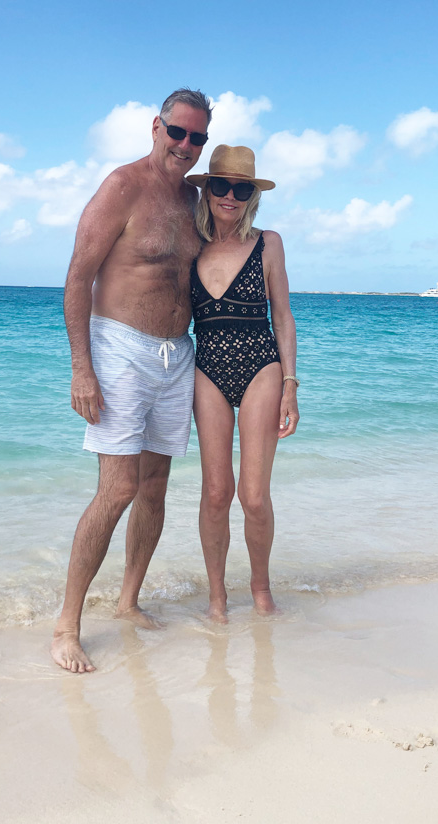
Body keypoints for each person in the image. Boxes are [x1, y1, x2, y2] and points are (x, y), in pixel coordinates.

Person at [51, 88, 213, 673]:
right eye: (178, 133)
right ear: (156, 127)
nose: (186, 146)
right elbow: (76, 278)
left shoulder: (195, 199)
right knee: (116, 488)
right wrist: (81, 367)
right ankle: (67, 625)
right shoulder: (122, 187)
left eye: (198, 137)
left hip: (178, 357)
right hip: (119, 348)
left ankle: (127, 601)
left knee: (154, 489)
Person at [186, 145, 298, 623]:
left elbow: (283, 316)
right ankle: (217, 597)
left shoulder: (268, 243)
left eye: (242, 188)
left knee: (253, 496)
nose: (230, 196)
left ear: (252, 195)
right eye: (221, 186)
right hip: (206, 364)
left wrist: (291, 383)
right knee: (215, 492)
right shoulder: (189, 243)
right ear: (207, 189)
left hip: (261, 365)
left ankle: (261, 589)